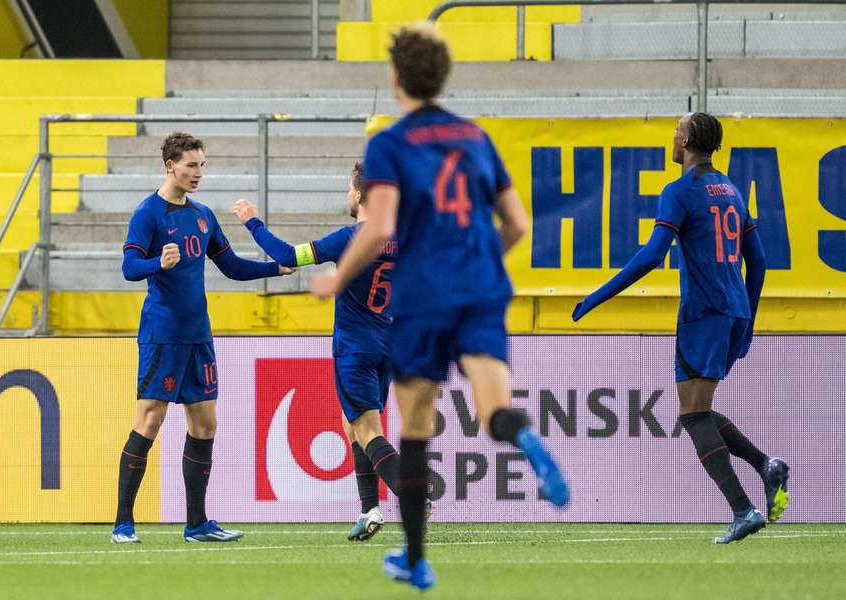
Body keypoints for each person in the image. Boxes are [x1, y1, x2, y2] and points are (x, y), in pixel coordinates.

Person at [311, 24, 569, 591]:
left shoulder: (388, 143)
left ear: (396, 77)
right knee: (494, 407)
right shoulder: (475, 137)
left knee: (416, 426)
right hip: (480, 287)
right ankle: (526, 439)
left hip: (424, 296)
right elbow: (519, 224)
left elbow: (378, 230)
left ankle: (416, 559)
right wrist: (478, 265)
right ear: (443, 76)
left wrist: (336, 282)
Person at [572, 112, 789, 544]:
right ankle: (767, 466)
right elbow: (759, 261)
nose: (671, 139)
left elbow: (654, 255)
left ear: (686, 139)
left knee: (692, 417)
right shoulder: (730, 190)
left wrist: (597, 296)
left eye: (675, 132)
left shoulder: (680, 191)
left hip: (703, 312)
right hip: (734, 311)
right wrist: (749, 318)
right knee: (699, 410)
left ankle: (743, 509)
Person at [112, 132, 292, 544]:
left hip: (198, 337)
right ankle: (123, 523)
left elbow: (229, 265)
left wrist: (272, 270)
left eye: (202, 165)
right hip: (162, 336)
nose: (198, 173)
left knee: (205, 425)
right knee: (150, 420)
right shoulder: (148, 213)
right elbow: (128, 268)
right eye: (191, 165)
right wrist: (158, 261)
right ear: (170, 165)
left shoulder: (204, 215)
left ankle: (196, 524)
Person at [233, 161, 421, 542]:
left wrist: (252, 222)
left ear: (356, 195)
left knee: (367, 430)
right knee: (353, 424)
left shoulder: (351, 238)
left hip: (355, 346)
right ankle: (369, 509)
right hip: (390, 342)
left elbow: (288, 255)